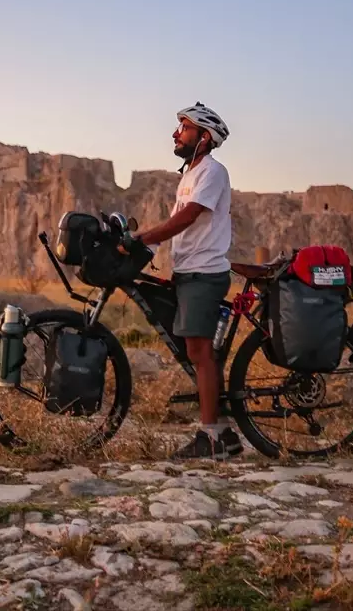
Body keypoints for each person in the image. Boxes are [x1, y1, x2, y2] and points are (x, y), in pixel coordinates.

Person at [120, 102, 243, 460]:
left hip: (205, 273)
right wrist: (140, 244)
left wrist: (142, 239)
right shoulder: (189, 176)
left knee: (200, 353)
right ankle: (222, 431)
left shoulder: (213, 172)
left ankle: (213, 437)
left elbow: (188, 217)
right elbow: (175, 222)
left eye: (184, 128)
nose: (176, 133)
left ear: (204, 138)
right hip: (189, 271)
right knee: (195, 350)